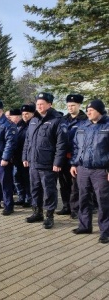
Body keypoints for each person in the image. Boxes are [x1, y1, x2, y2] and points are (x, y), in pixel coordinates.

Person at [23, 92, 67, 229]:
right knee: (35, 188)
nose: (39, 106)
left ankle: (49, 215)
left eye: (42, 104)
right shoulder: (34, 120)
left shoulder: (57, 120)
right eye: (37, 104)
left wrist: (57, 162)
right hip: (33, 162)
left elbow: (61, 144)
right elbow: (27, 141)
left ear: (50, 104)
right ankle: (37, 212)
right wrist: (25, 156)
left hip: (48, 163)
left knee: (49, 190)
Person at [70, 99, 109, 244]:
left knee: (103, 201)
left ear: (99, 110)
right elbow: (76, 147)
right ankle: (85, 226)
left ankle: (106, 230)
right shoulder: (82, 126)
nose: (88, 112)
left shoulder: (107, 126)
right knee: (83, 198)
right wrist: (74, 163)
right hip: (83, 169)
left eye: (91, 110)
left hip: (101, 170)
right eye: (87, 110)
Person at [57, 94, 87, 218]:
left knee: (76, 186)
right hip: (64, 157)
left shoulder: (85, 120)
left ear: (79, 105)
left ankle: (76, 209)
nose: (70, 108)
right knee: (64, 184)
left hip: (77, 157)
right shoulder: (63, 120)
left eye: (73, 105)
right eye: (68, 105)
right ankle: (66, 206)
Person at [13, 104, 35, 207]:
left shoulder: (34, 124)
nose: (25, 116)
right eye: (23, 114)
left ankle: (29, 199)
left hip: (28, 157)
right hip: (18, 156)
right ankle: (21, 197)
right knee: (17, 178)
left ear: (32, 114)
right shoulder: (19, 124)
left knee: (27, 179)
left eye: (27, 114)